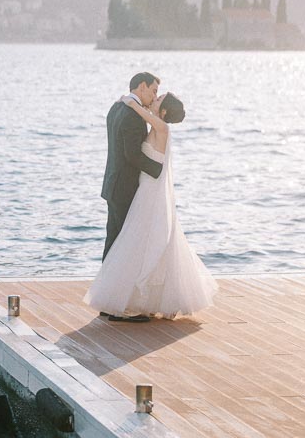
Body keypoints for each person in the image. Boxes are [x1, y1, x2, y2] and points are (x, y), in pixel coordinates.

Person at [86, 89, 217, 321]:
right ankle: (134, 297)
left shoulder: (162, 128)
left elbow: (139, 111)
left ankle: (131, 300)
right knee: (141, 243)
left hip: (149, 193)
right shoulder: (158, 126)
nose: (153, 100)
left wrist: (130, 102)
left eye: (158, 100)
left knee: (139, 244)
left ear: (163, 110)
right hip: (144, 190)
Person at [100, 72, 164, 263]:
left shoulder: (116, 107)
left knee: (113, 240)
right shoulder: (133, 115)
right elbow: (132, 155)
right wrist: (159, 170)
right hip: (125, 189)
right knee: (123, 243)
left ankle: (106, 285)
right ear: (142, 86)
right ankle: (113, 287)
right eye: (153, 91)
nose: (154, 96)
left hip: (112, 184)